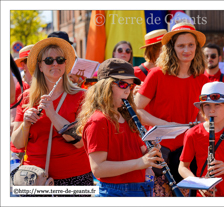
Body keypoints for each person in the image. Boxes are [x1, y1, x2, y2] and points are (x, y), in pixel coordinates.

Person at [11, 37, 92, 196]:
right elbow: (17, 143)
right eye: (49, 60)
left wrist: (52, 114)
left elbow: (80, 142)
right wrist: (25, 124)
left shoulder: (82, 96)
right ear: (40, 66)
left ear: (65, 64)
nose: (55, 63)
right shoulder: (27, 97)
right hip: (34, 178)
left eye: (60, 59)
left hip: (74, 177)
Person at [135, 22, 209, 196]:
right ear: (171, 48)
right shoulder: (157, 74)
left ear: (197, 48)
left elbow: (202, 117)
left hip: (189, 149)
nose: (186, 50)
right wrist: (168, 125)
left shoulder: (203, 78)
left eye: (191, 45)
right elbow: (137, 110)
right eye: (181, 45)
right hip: (160, 149)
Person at [76, 58, 163, 197]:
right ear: (106, 86)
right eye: (122, 84)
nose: (128, 91)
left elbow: (140, 152)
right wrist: (140, 162)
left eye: (130, 86)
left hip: (140, 188)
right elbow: (98, 168)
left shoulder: (128, 117)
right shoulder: (98, 121)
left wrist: (151, 152)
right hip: (115, 192)